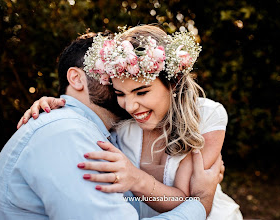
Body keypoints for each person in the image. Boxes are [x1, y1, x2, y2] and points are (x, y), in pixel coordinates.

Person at [19, 25, 243, 219]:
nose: (130, 106)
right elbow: (89, 111)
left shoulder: (207, 116)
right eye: (120, 93)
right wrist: (57, 104)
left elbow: (185, 200)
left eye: (142, 92)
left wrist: (136, 178)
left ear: (173, 82)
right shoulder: (123, 120)